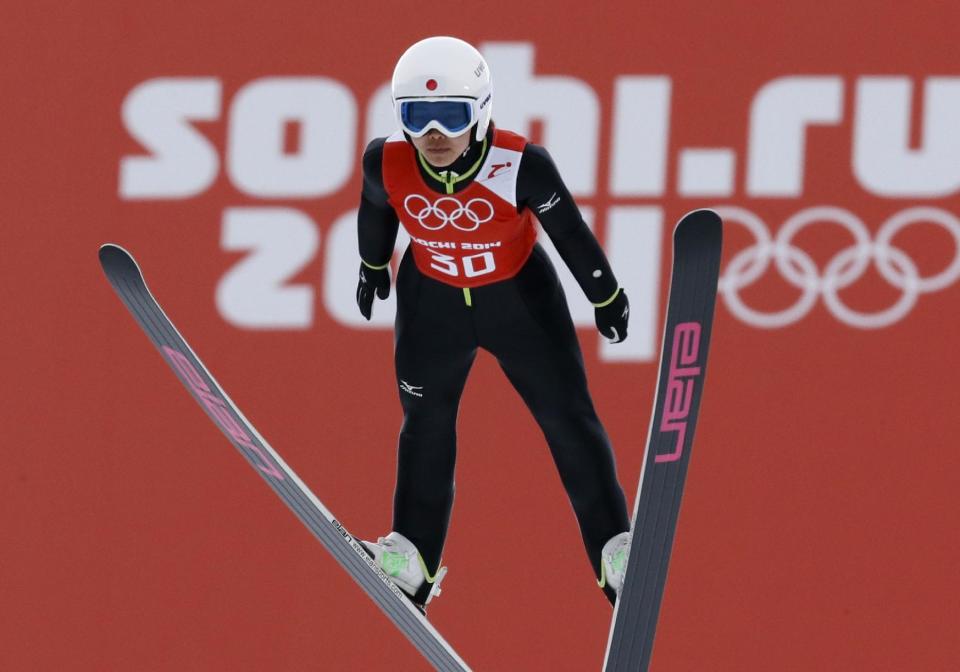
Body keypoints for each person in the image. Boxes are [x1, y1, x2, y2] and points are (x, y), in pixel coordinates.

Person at [356, 35, 632, 611]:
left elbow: (572, 236)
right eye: (417, 116)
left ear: (480, 111)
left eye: (450, 115)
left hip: (519, 304)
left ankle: (615, 550)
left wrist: (605, 296)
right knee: (425, 425)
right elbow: (375, 205)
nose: (433, 133)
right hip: (431, 306)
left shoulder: (521, 164)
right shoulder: (386, 159)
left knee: (567, 420)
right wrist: (372, 263)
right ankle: (413, 559)